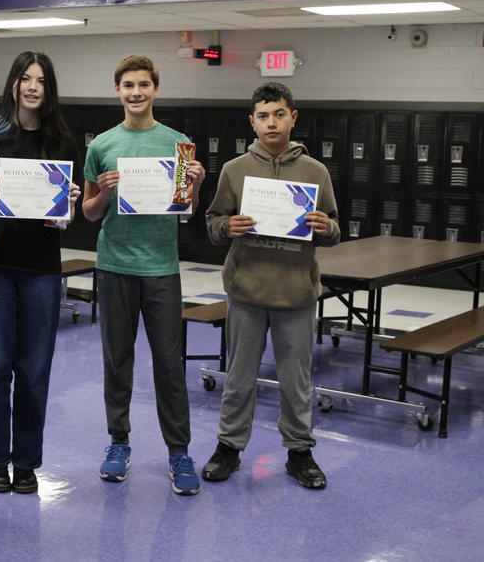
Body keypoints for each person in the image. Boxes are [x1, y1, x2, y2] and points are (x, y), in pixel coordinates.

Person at [202, 81, 340, 490]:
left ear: (293, 118)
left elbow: (334, 229)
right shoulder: (235, 169)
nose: (271, 122)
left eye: (279, 114)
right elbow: (212, 225)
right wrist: (228, 225)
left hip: (295, 292)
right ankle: (229, 446)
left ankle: (299, 452)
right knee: (239, 376)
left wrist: (325, 226)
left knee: (296, 378)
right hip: (247, 291)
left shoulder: (315, 171)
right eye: (263, 116)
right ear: (252, 122)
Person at [0, 50, 82, 494]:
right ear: (13, 84)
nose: (32, 87)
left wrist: (67, 203)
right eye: (25, 79)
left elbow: (70, 213)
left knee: (34, 370)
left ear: (49, 89)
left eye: (41, 81)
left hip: (41, 269)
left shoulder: (62, 141)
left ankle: (27, 463)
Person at [81, 55, 206, 495]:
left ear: (155, 90)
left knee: (169, 365)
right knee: (117, 361)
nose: (136, 92)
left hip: (161, 269)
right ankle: (119, 443)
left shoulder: (178, 143)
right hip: (115, 265)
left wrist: (195, 184)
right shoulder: (102, 146)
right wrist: (106, 192)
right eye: (128, 85)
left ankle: (179, 451)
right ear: (117, 90)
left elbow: (186, 211)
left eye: (144, 85)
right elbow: (90, 212)